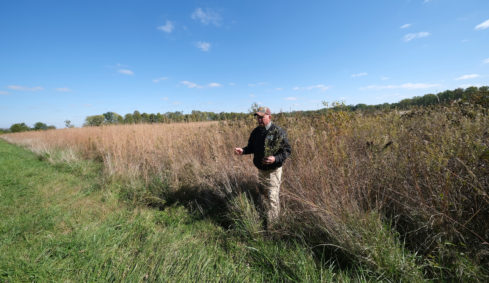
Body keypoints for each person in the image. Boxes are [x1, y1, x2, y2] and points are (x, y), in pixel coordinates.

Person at [234, 106, 292, 227]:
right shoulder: (256, 132)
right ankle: (266, 219)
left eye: (262, 117)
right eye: (258, 117)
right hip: (261, 170)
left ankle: (273, 227)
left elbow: (287, 151)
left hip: (273, 170)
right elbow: (251, 147)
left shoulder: (278, 131)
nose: (259, 120)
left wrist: (275, 159)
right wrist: (243, 150)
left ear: (269, 117)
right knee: (265, 195)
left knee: (272, 197)